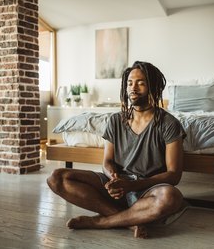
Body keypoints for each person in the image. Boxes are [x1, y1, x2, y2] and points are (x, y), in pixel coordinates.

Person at [47, 61, 186, 238]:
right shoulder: (115, 120)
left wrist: (132, 186)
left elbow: (174, 174)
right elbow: (107, 161)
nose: (133, 88)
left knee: (171, 197)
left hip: (147, 189)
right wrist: (114, 178)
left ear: (154, 87)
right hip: (118, 185)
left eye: (141, 83)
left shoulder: (168, 124)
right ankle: (129, 221)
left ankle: (101, 221)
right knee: (57, 178)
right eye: (129, 83)